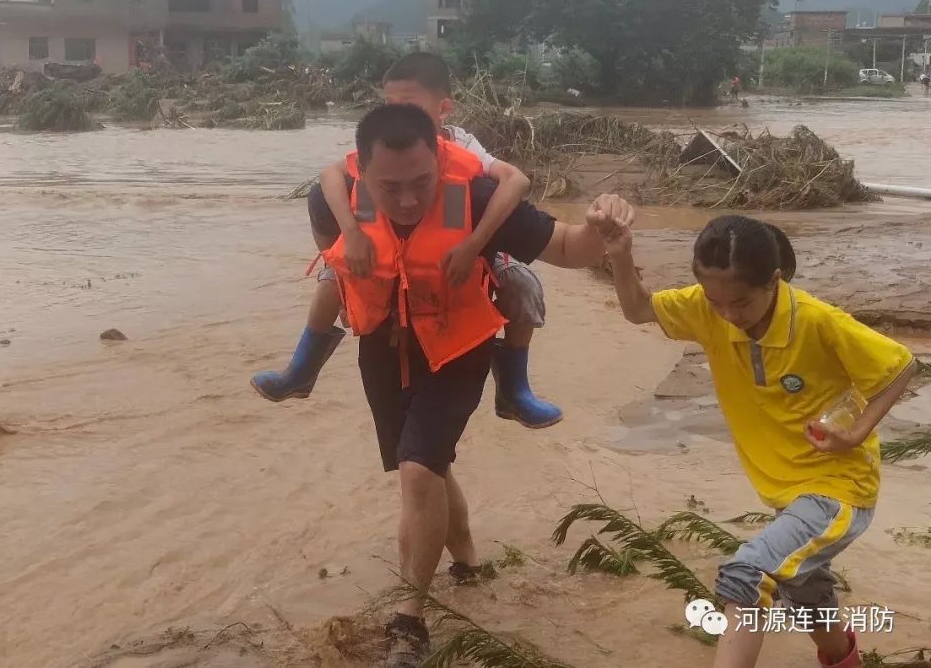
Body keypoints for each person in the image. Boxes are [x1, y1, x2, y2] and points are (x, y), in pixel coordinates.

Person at [303, 103, 634, 667]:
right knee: (429, 467)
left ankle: (410, 619)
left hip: (459, 348)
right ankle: (469, 564)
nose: (408, 200)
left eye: (421, 183)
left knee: (417, 469)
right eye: (391, 187)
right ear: (363, 171)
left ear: (441, 158)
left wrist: (602, 227)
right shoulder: (332, 202)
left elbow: (567, 249)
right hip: (382, 349)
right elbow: (337, 266)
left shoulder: (477, 196)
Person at [602, 215, 916, 668]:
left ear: (775, 280)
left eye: (742, 302)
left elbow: (901, 365)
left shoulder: (818, 321)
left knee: (748, 574)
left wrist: (858, 431)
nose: (728, 314)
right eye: (716, 301)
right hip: (784, 494)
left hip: (838, 489)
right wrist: (620, 252)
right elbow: (637, 310)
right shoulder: (706, 310)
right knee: (811, 601)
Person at [251, 53, 564, 429]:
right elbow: (328, 177)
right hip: (387, 252)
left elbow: (516, 181)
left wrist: (474, 244)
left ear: (443, 108)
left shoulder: (464, 147)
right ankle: (300, 371)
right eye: (390, 105)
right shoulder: (379, 146)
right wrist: (350, 235)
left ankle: (515, 389)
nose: (397, 114)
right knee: (331, 279)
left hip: (468, 251)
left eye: (409, 105)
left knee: (522, 285)